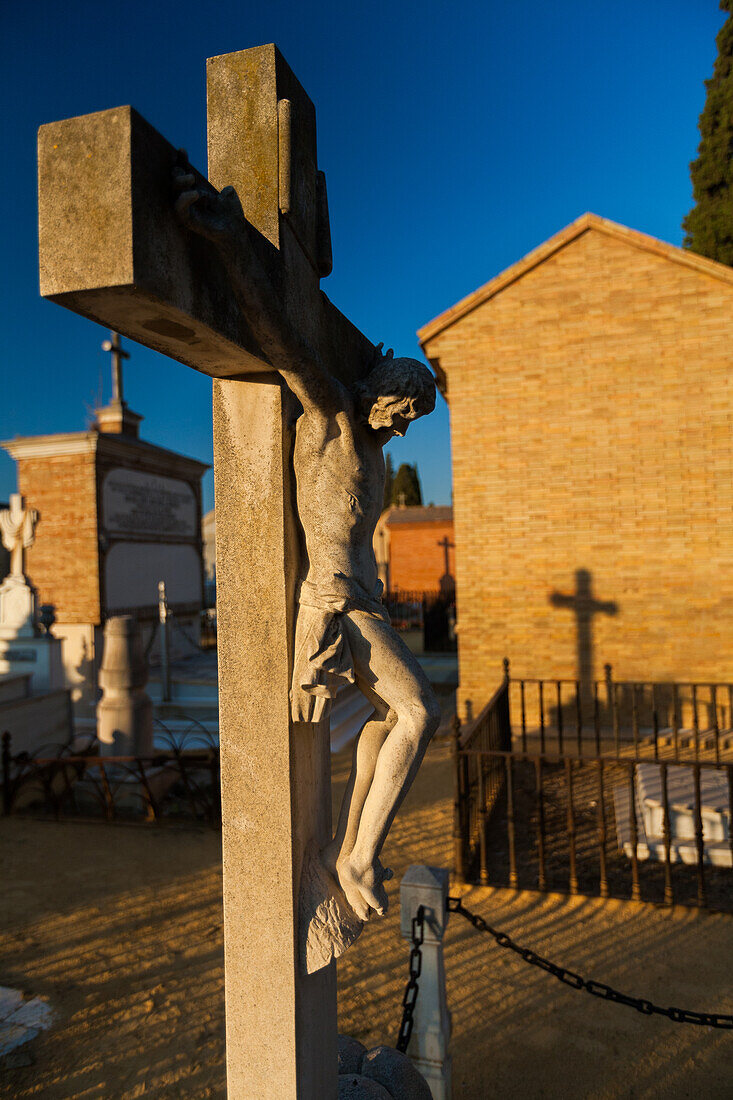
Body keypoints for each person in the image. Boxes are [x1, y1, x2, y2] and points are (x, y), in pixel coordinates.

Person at [173, 166, 441, 922]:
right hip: (335, 600)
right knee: (420, 716)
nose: (406, 423)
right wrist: (228, 245)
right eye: (403, 408)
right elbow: (283, 342)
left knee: (396, 718)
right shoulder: (327, 420)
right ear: (376, 391)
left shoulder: (378, 448)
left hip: (367, 602)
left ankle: (349, 851)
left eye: (415, 415)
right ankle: (356, 857)